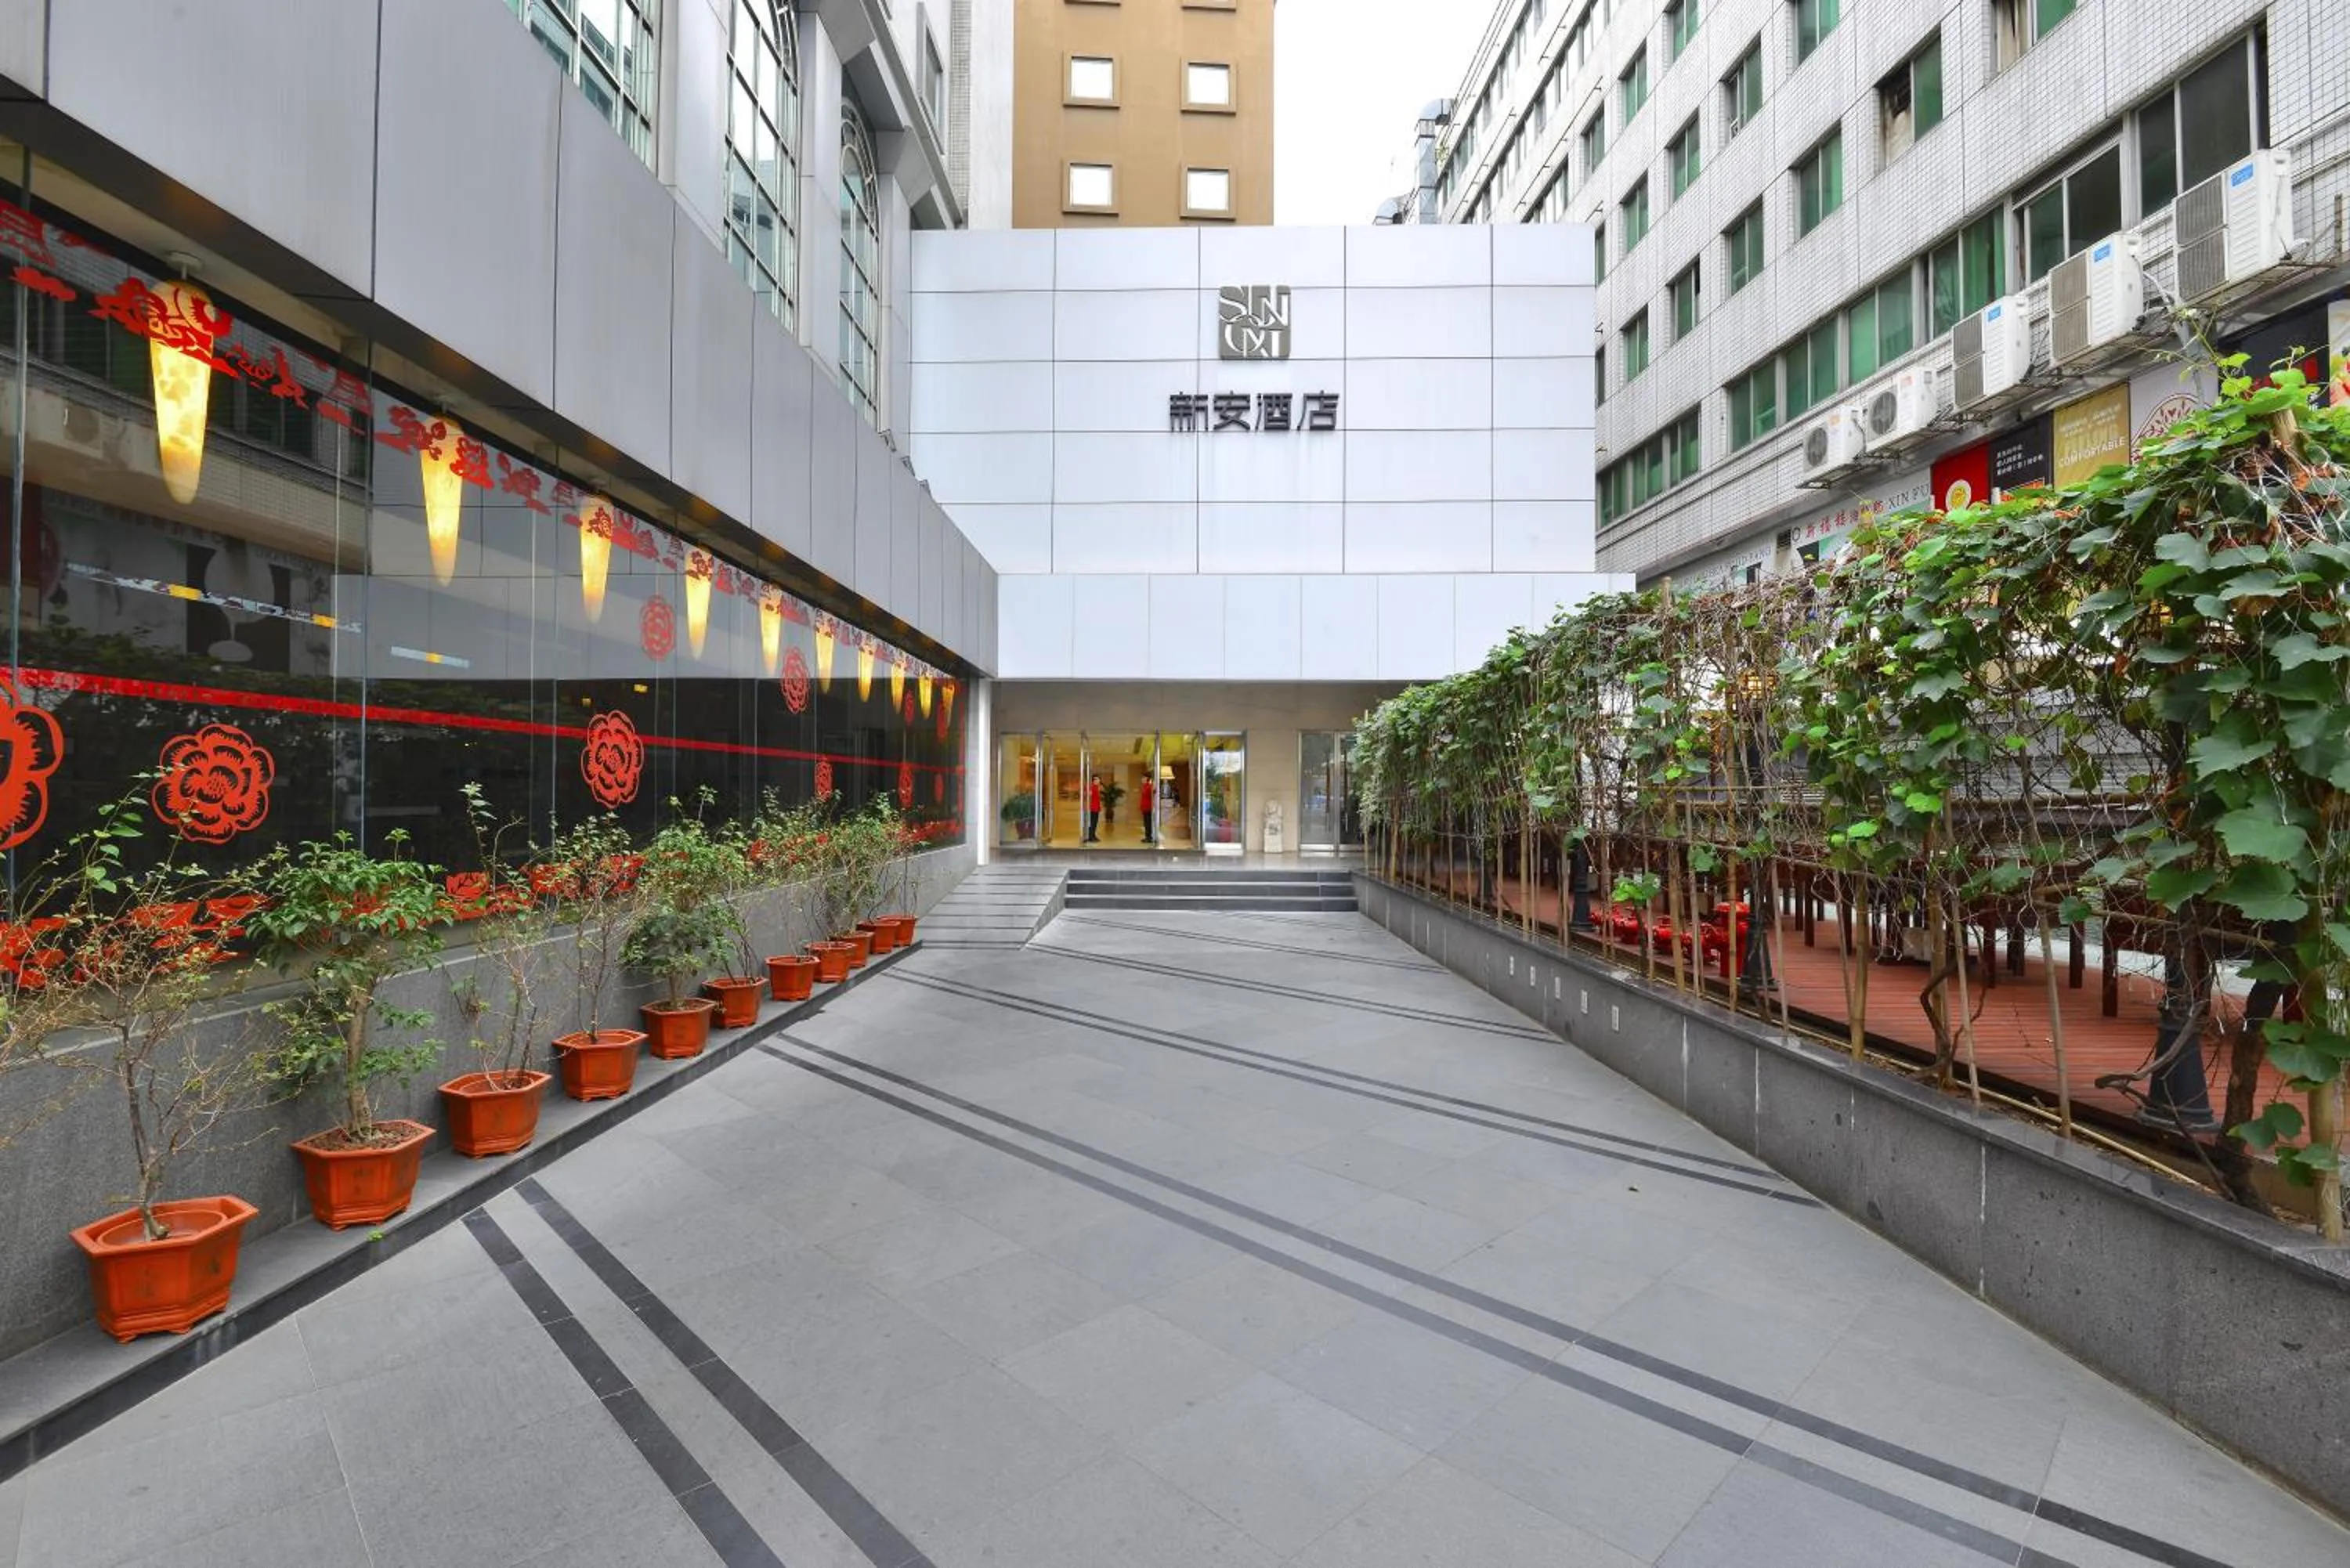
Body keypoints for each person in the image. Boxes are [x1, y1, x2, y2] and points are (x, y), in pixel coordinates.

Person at [1084, 774, 1102, 843]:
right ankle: (1090, 837)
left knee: (1095, 823)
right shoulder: (1091, 787)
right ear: (1093, 780)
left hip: (1096, 808)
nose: (1098, 781)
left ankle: (1093, 835)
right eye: (1097, 779)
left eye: (1098, 779)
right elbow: (1087, 795)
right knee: (1092, 823)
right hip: (1092, 808)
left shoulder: (1097, 787)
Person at [1140, 774, 1156, 844]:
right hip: (1144, 807)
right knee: (1146, 823)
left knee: (1148, 823)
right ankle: (1147, 837)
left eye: (1143, 778)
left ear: (1147, 778)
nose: (1142, 779)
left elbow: (1153, 793)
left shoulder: (1149, 786)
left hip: (1148, 807)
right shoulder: (1144, 786)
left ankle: (1149, 837)